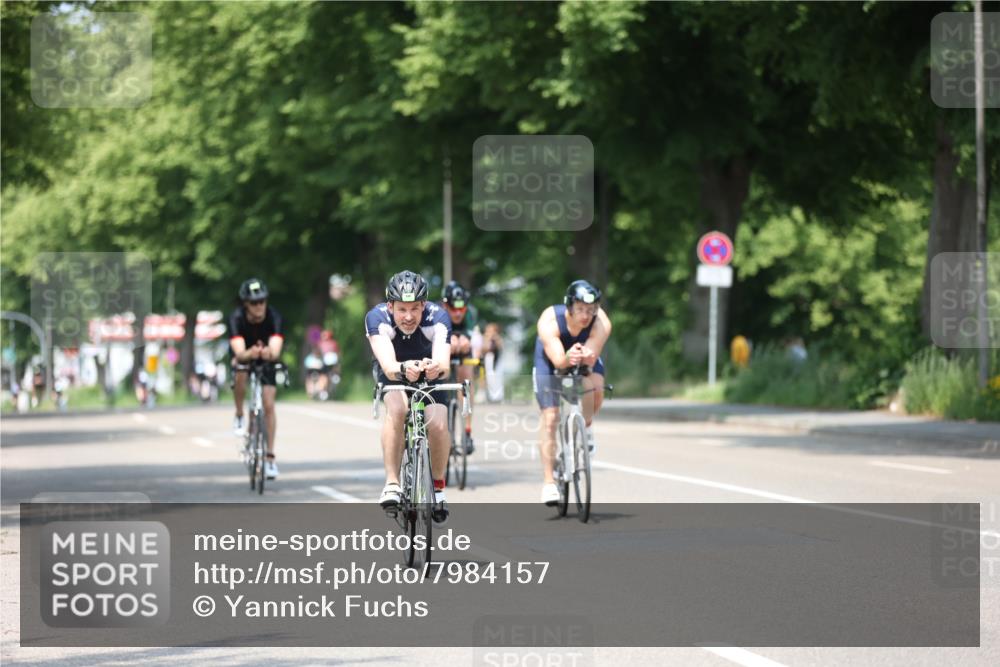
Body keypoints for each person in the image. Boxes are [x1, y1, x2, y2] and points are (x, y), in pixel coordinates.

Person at [366, 270, 452, 523]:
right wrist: (404, 369)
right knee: (397, 408)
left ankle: (437, 488)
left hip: (428, 372)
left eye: (415, 309)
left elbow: (444, 363)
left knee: (437, 423)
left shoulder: (438, 317)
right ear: (390, 305)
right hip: (394, 371)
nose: (408, 316)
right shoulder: (377, 317)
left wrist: (435, 368)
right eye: (402, 309)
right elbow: (389, 366)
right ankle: (392, 483)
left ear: (424, 305)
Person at [533, 280, 612, 506]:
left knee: (595, 387)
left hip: (583, 356)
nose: (586, 315)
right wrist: (569, 356)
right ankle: (549, 482)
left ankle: (586, 427)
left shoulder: (602, 322)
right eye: (580, 309)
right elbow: (559, 361)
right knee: (550, 417)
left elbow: (592, 357)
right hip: (550, 360)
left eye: (591, 310)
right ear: (569, 307)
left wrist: (585, 355)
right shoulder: (550, 320)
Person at [229, 278, 284, 480]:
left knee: (269, 404)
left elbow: (276, 350)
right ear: (245, 304)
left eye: (262, 301)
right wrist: (250, 352)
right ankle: (239, 414)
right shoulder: (236, 318)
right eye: (254, 303)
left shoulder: (274, 316)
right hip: (245, 355)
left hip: (265, 357)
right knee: (240, 371)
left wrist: (267, 353)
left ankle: (269, 458)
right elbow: (239, 352)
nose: (259, 306)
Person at [441, 280, 481, 453]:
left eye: (461, 309)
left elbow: (471, 336)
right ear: (445, 305)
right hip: (443, 344)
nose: (458, 314)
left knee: (466, 379)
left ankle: (467, 430)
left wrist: (464, 339)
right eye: (453, 309)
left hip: (462, 348)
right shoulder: (438, 312)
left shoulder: (471, 313)